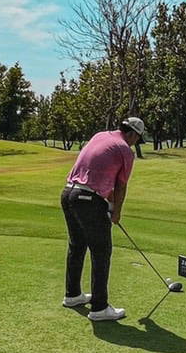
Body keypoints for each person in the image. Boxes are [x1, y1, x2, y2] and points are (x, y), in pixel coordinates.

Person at [61, 116, 146, 321]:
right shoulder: (125, 149)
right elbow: (120, 185)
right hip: (87, 199)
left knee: (77, 245)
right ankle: (99, 308)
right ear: (132, 133)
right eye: (137, 139)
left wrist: (108, 203)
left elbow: (100, 176)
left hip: (68, 193)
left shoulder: (100, 135)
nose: (136, 143)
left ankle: (72, 295)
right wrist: (116, 211)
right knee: (101, 251)